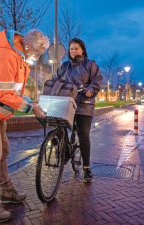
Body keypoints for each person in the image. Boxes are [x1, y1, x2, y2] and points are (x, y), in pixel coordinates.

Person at [0, 29, 49, 222]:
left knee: (3, 151)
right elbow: (5, 95)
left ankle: (5, 191)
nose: (38, 56)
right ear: (29, 46)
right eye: (39, 51)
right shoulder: (5, 56)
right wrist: (32, 108)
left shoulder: (17, 59)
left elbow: (15, 92)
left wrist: (33, 103)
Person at [56, 38, 103, 183]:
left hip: (84, 103)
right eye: (71, 49)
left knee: (83, 134)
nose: (73, 51)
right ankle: (63, 150)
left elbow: (97, 81)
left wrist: (90, 90)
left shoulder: (90, 65)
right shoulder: (64, 67)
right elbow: (57, 80)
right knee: (58, 124)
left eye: (76, 48)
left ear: (82, 50)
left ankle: (87, 168)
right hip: (67, 102)